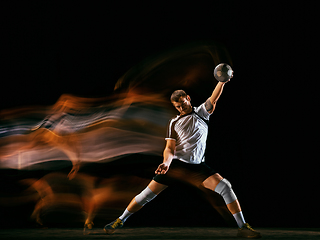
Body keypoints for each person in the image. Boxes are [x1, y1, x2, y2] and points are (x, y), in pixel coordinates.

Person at [103, 75, 261, 238]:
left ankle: (242, 227)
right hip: (176, 166)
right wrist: (166, 163)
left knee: (225, 187)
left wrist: (222, 81)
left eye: (182, 104)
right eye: (177, 107)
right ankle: (120, 220)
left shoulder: (201, 113)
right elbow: (169, 148)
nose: (180, 108)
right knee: (146, 195)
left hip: (198, 167)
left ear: (188, 98)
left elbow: (213, 99)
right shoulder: (174, 122)